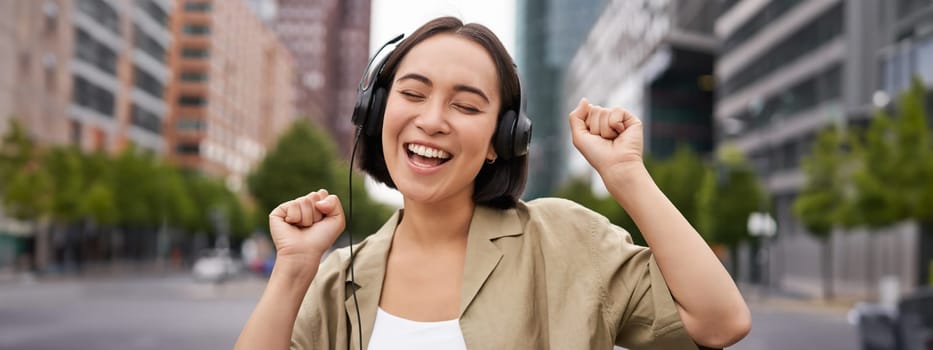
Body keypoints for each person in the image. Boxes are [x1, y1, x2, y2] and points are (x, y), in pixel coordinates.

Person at [235, 16, 750, 350]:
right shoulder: (336, 281)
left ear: (500, 141)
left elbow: (721, 321)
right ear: (375, 113)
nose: (432, 120)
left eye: (465, 106)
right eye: (413, 94)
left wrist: (626, 177)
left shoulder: (565, 241)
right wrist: (294, 270)